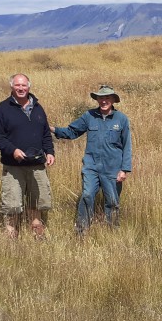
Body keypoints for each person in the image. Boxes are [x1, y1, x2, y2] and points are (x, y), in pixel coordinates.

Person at [50, 84, 131, 235]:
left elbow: (127, 146)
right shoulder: (89, 116)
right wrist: (52, 129)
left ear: (113, 100)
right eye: (101, 98)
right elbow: (72, 131)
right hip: (91, 166)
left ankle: (111, 233)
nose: (104, 101)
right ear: (97, 99)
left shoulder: (121, 119)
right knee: (87, 195)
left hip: (113, 168)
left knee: (112, 201)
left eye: (107, 97)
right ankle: (81, 231)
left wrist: (124, 169)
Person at [0, 73, 55, 239]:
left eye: (24, 85)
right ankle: (11, 230)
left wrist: (50, 152)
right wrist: (13, 150)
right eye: (17, 85)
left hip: (37, 163)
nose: (21, 88)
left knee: (38, 199)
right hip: (14, 166)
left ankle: (36, 227)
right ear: (11, 87)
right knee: (12, 201)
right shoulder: (1, 109)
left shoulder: (38, 108)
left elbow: (46, 133)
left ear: (29, 86)